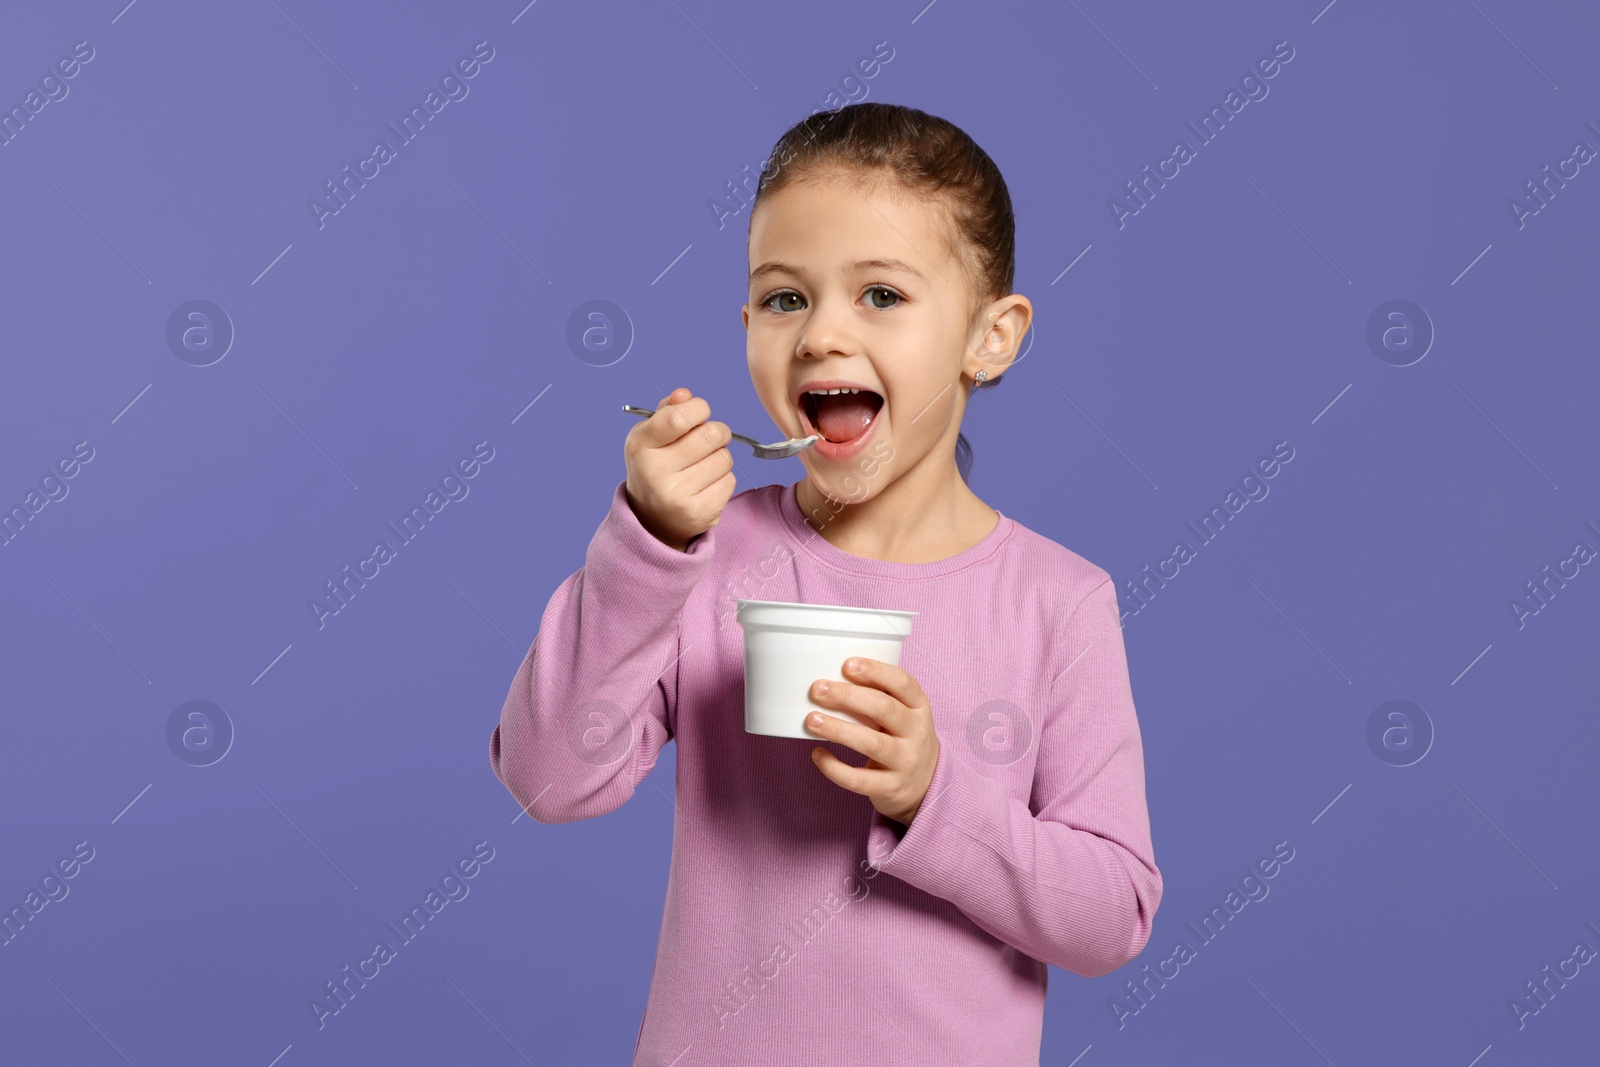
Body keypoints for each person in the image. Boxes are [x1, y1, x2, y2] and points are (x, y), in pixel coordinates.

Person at [490, 101, 1162, 1066]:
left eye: (881, 295)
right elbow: (548, 776)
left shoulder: (1059, 603)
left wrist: (935, 793)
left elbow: (1112, 915)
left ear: (991, 337)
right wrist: (647, 540)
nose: (819, 337)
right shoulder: (705, 555)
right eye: (785, 298)